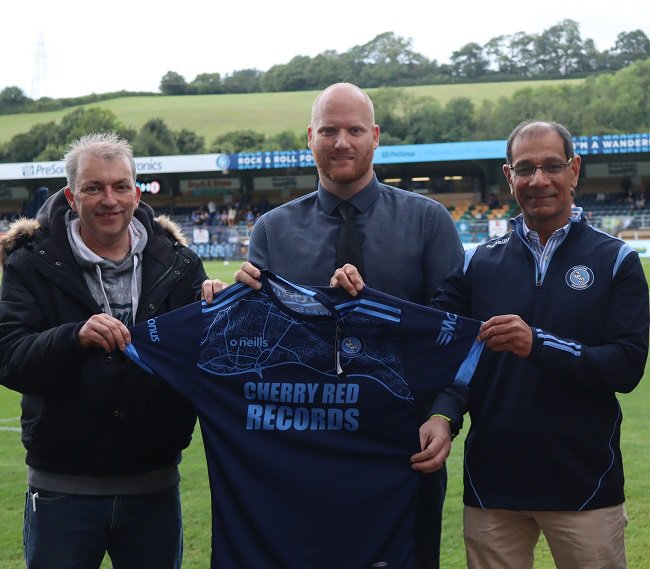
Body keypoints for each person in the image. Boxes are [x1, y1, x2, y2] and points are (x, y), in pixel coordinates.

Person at [335, 120, 649, 569]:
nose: (538, 180)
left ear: (574, 170)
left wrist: (537, 343)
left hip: (585, 487)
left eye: (551, 167)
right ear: (509, 177)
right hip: (493, 488)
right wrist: (361, 297)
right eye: (525, 169)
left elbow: (626, 367)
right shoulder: (478, 262)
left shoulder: (615, 259)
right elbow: (436, 337)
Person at [231, 82, 465, 568]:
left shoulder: (428, 222)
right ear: (309, 137)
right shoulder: (272, 230)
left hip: (402, 448)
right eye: (329, 130)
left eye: (354, 130)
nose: (342, 142)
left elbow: (455, 333)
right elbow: (256, 345)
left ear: (375, 136)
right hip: (302, 454)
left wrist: (444, 415)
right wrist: (227, 303)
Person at [0, 133, 223, 569]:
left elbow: (208, 359)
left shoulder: (179, 263)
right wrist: (73, 337)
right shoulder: (30, 263)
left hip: (154, 487)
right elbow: (10, 357)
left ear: (137, 192)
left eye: (121, 186)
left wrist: (219, 309)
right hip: (61, 488)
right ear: (71, 195)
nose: (110, 200)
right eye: (93, 187)